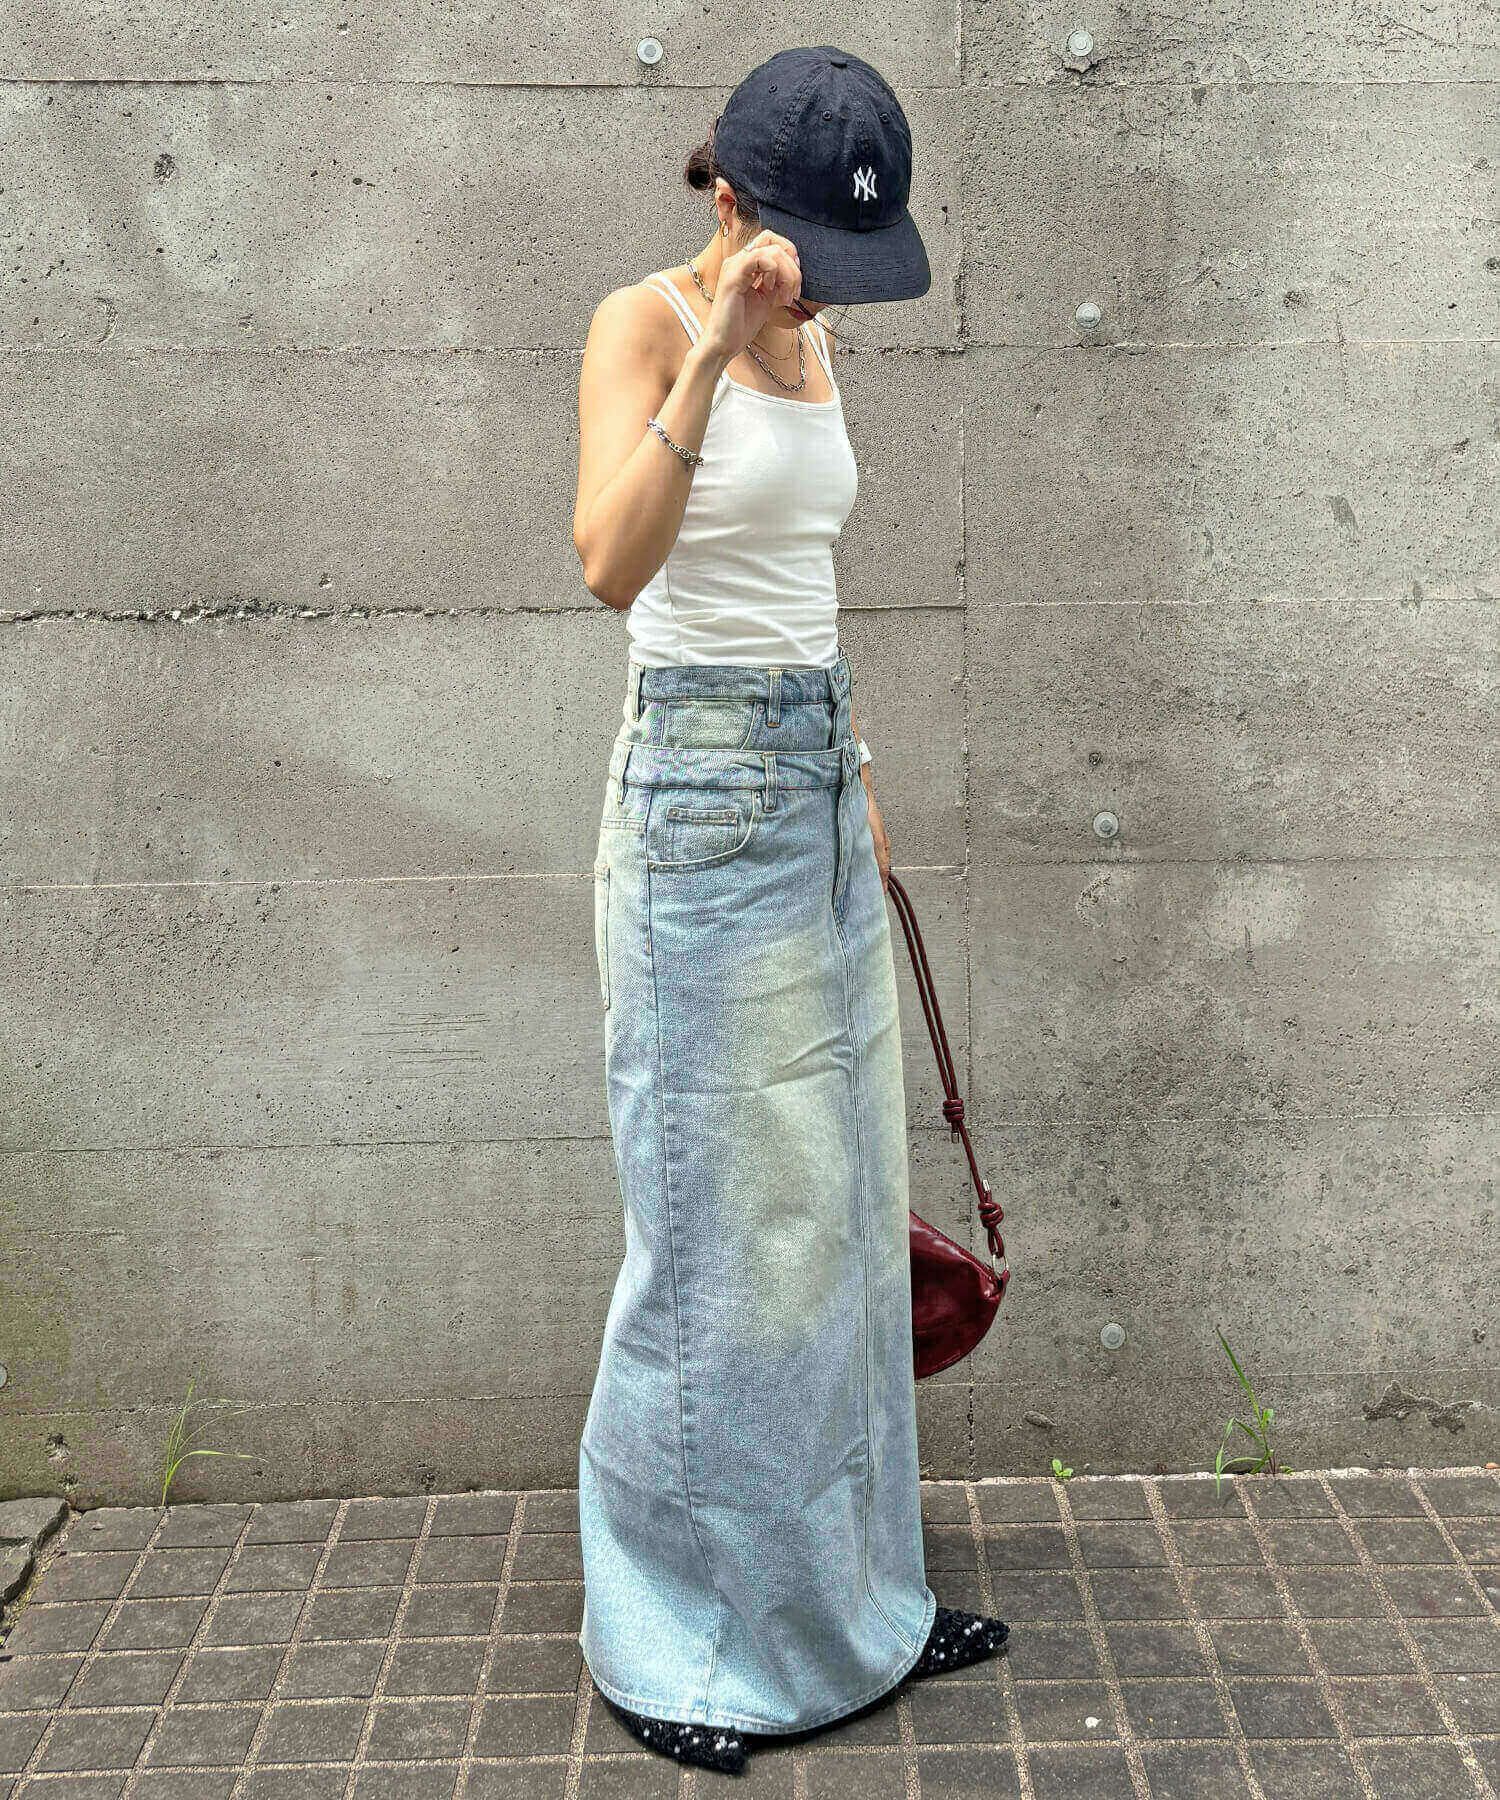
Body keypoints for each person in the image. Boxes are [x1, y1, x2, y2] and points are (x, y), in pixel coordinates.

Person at [570, 46, 1008, 1775]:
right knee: (712, 1245)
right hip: (695, 809)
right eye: (813, 250)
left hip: (819, 787)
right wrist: (708, 357)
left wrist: (860, 783)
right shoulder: (641, 320)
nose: (827, 291)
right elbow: (612, 564)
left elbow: (800, 578)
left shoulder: (820, 340)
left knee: (837, 1227)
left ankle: (861, 1611)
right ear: (737, 197)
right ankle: (679, 1646)